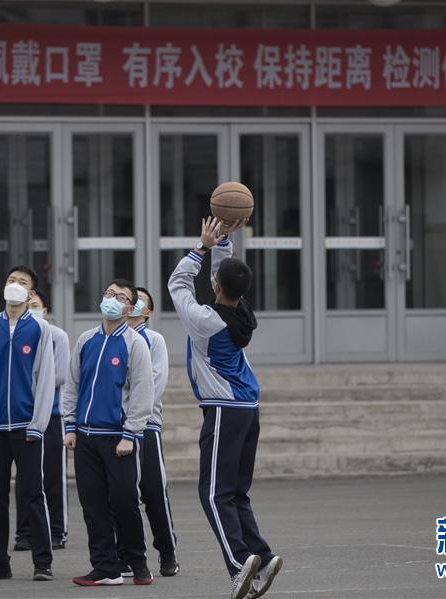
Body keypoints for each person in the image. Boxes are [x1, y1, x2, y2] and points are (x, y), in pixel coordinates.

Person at [167, 217, 283, 599]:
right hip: (248, 408)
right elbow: (225, 276)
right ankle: (262, 559)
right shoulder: (242, 312)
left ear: (217, 286)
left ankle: (239, 565)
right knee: (236, 493)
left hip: (223, 409)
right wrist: (222, 242)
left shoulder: (206, 320)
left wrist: (201, 247)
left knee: (214, 494)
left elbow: (178, 284)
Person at [63, 279, 155, 587]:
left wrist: (130, 434)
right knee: (93, 505)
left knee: (125, 501)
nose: (112, 299)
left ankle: (137, 562)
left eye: (120, 297)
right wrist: (70, 425)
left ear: (130, 308)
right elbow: (72, 384)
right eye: (108, 294)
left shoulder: (134, 344)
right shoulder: (86, 340)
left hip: (118, 439)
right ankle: (105, 567)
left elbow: (143, 391)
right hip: (85, 437)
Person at [0, 266, 56, 582]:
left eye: (22, 283)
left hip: (27, 428)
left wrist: (38, 423)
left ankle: (42, 562)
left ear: (31, 293)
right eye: (11, 280)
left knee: (33, 495)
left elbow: (45, 377)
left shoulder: (40, 329)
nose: (15, 286)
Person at [123, 286, 179, 577]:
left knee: (154, 492)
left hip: (146, 427)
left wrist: (134, 412)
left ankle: (167, 550)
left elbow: (155, 384)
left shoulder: (153, 340)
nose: (134, 306)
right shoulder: (114, 339)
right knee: (121, 495)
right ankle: (127, 555)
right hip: (115, 429)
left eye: (141, 301)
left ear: (148, 311)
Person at [14, 289, 70, 552]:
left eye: (37, 306)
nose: (33, 309)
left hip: (52, 415)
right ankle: (24, 532)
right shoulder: (17, 334)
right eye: (29, 305)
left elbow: (59, 376)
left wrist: (32, 379)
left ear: (45, 310)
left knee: (53, 477)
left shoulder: (57, 336)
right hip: (23, 416)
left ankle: (57, 530)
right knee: (26, 478)